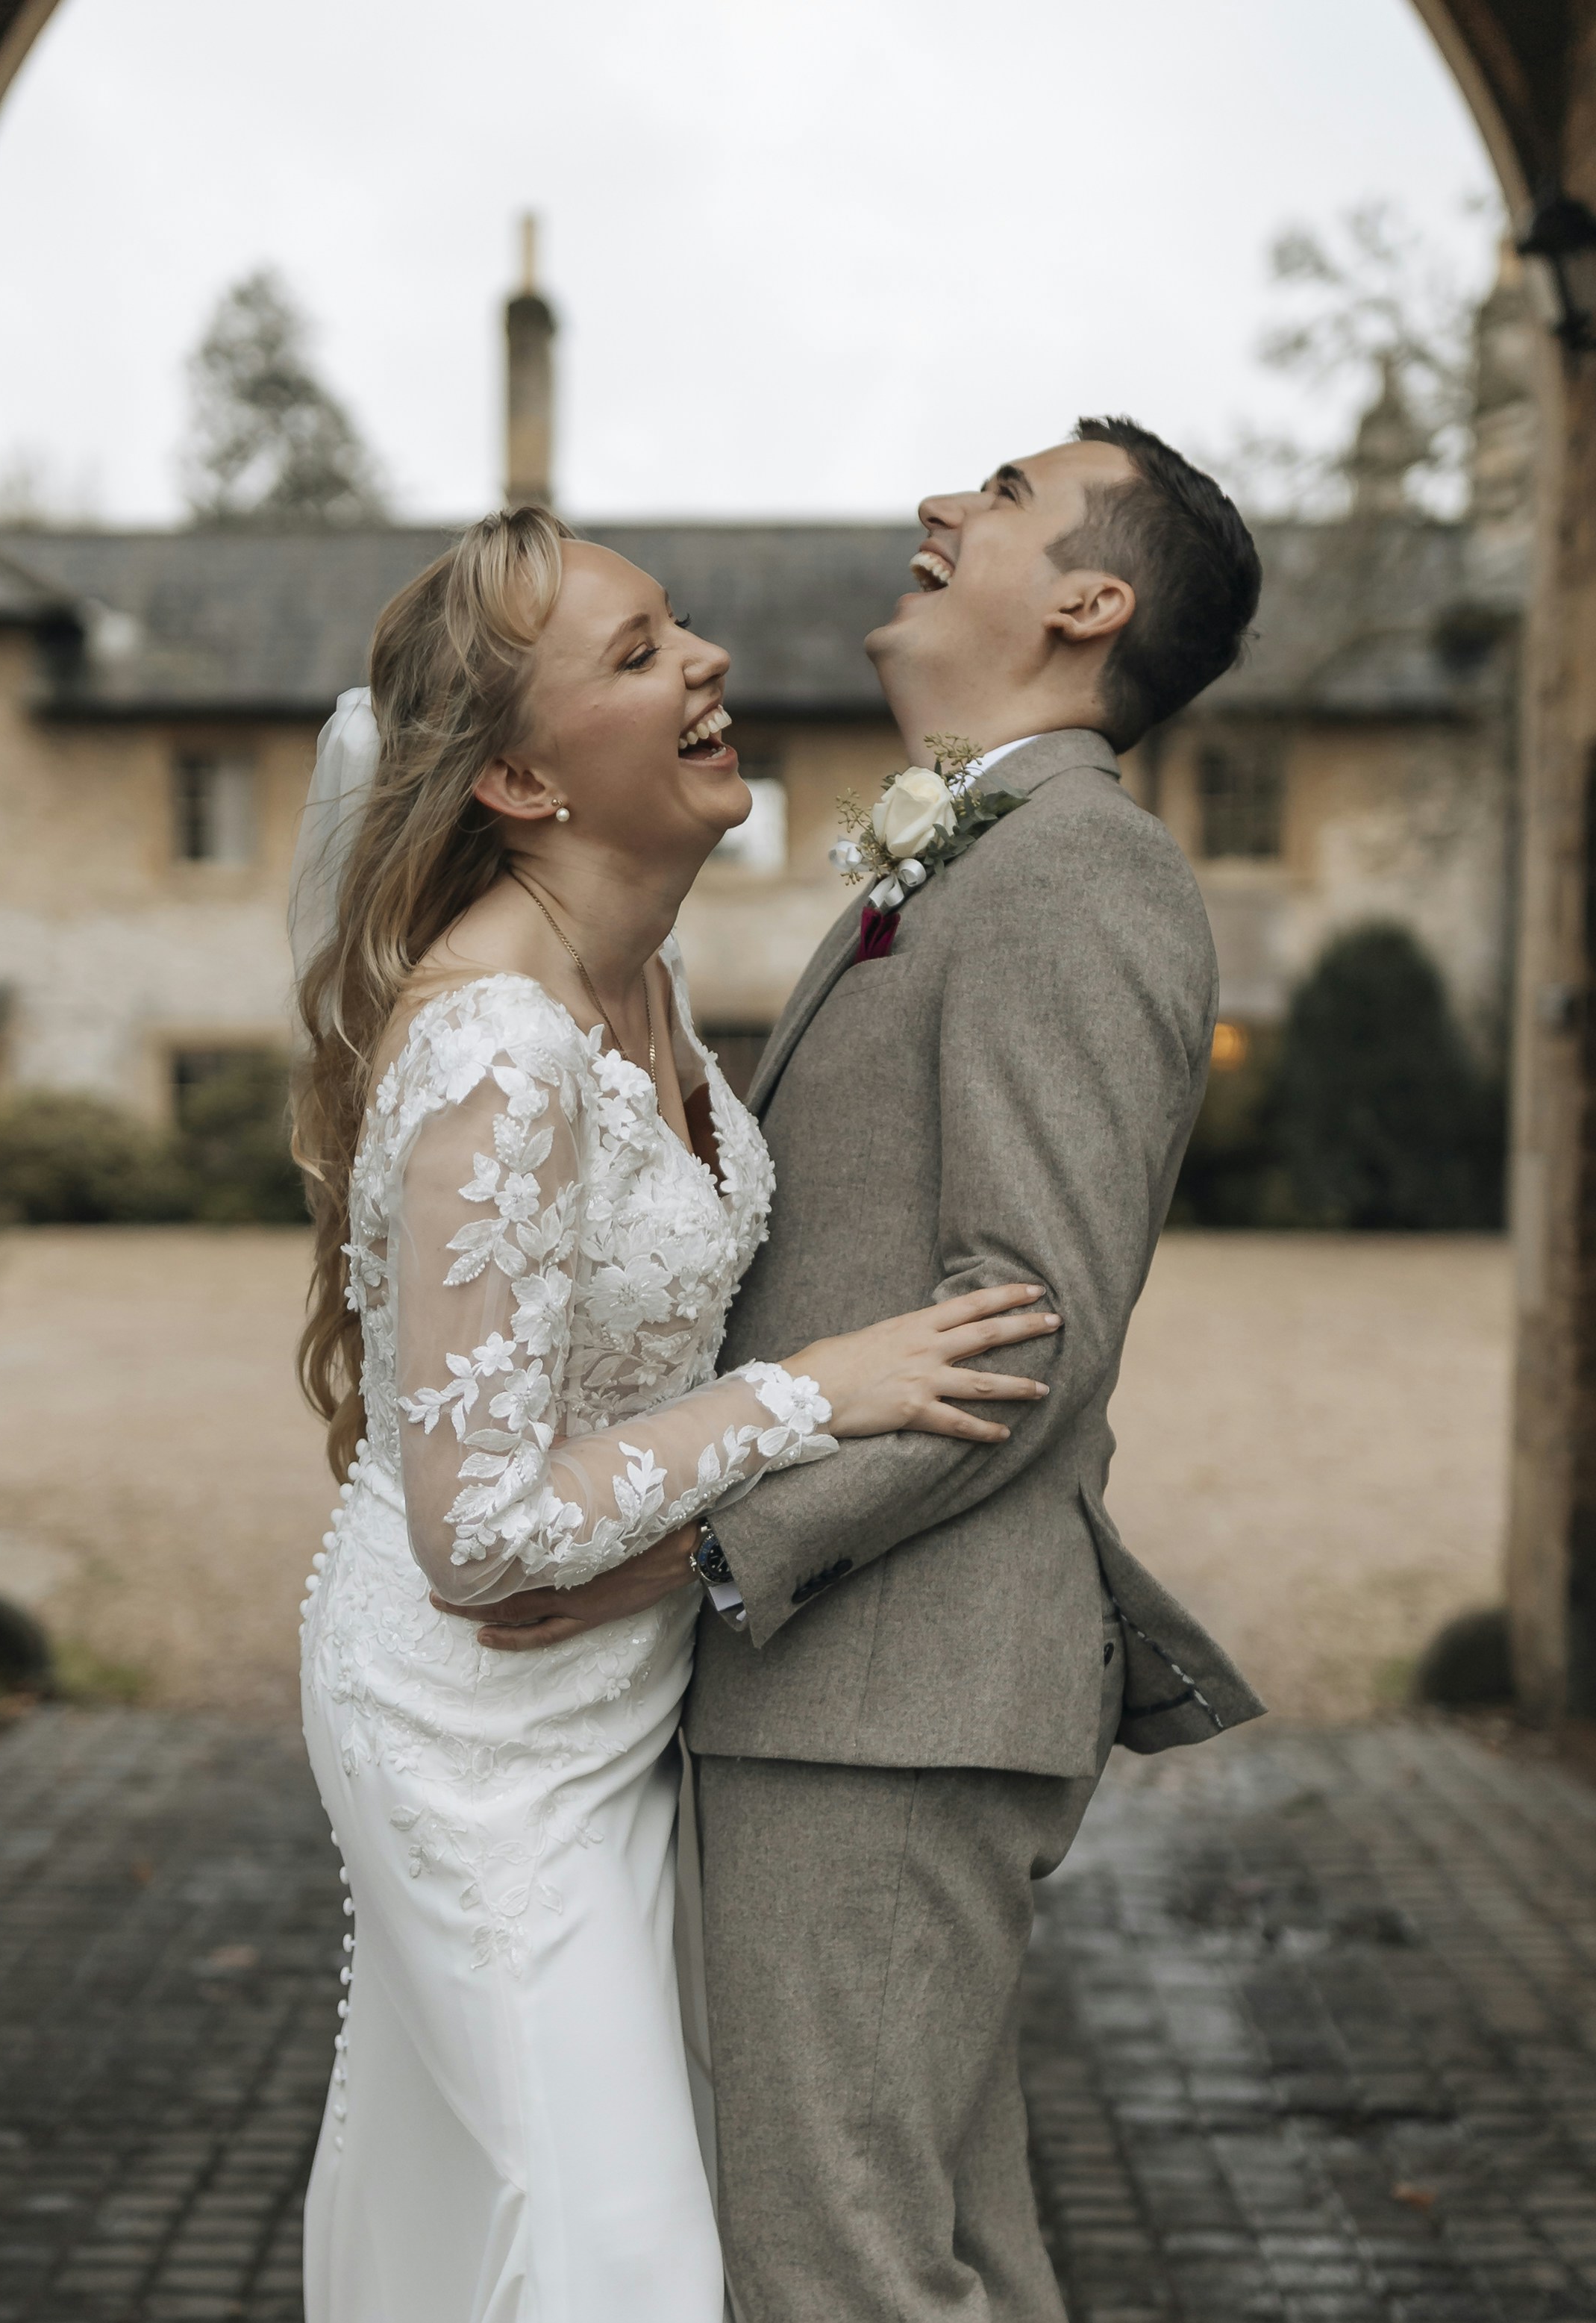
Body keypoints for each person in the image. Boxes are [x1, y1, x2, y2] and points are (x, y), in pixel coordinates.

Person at [472, 418, 1269, 2320]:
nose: (937, 506)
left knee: (833, 2265)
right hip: (868, 1697)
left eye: (997, 493)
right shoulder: (982, 845)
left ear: (1089, 601)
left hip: (882, 1691)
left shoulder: (1079, 872)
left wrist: (706, 1554)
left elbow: (1028, 1320)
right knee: (939, 2254)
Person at [290, 507, 1063, 2322]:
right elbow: (475, 1537)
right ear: (518, 778)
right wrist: (814, 1391)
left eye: (681, 628)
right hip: (475, 1725)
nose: (707, 663)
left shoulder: (637, 985)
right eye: (638, 657)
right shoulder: (495, 1041)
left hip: (625, 1695)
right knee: (614, 2253)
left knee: (568, 2214)